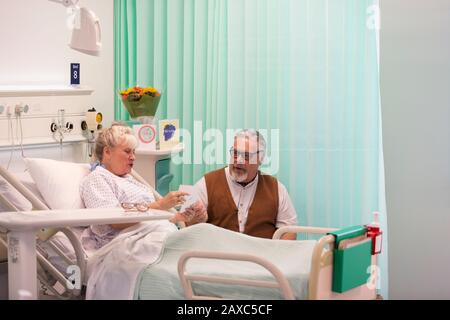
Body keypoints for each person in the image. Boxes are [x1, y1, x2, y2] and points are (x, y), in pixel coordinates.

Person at [80, 123, 207, 251]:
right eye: (127, 151)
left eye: (134, 152)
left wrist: (184, 218)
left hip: (154, 236)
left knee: (207, 235)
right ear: (107, 152)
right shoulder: (97, 179)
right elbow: (113, 220)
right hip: (127, 245)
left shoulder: (128, 179)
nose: (133, 157)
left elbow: (152, 218)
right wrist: (161, 205)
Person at [194, 129, 298, 240]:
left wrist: (277, 254)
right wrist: (196, 218)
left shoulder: (276, 188)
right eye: (235, 153)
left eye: (246, 156)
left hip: (261, 256)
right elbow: (187, 225)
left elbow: (289, 230)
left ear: (260, 159)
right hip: (218, 255)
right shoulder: (207, 183)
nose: (238, 160)